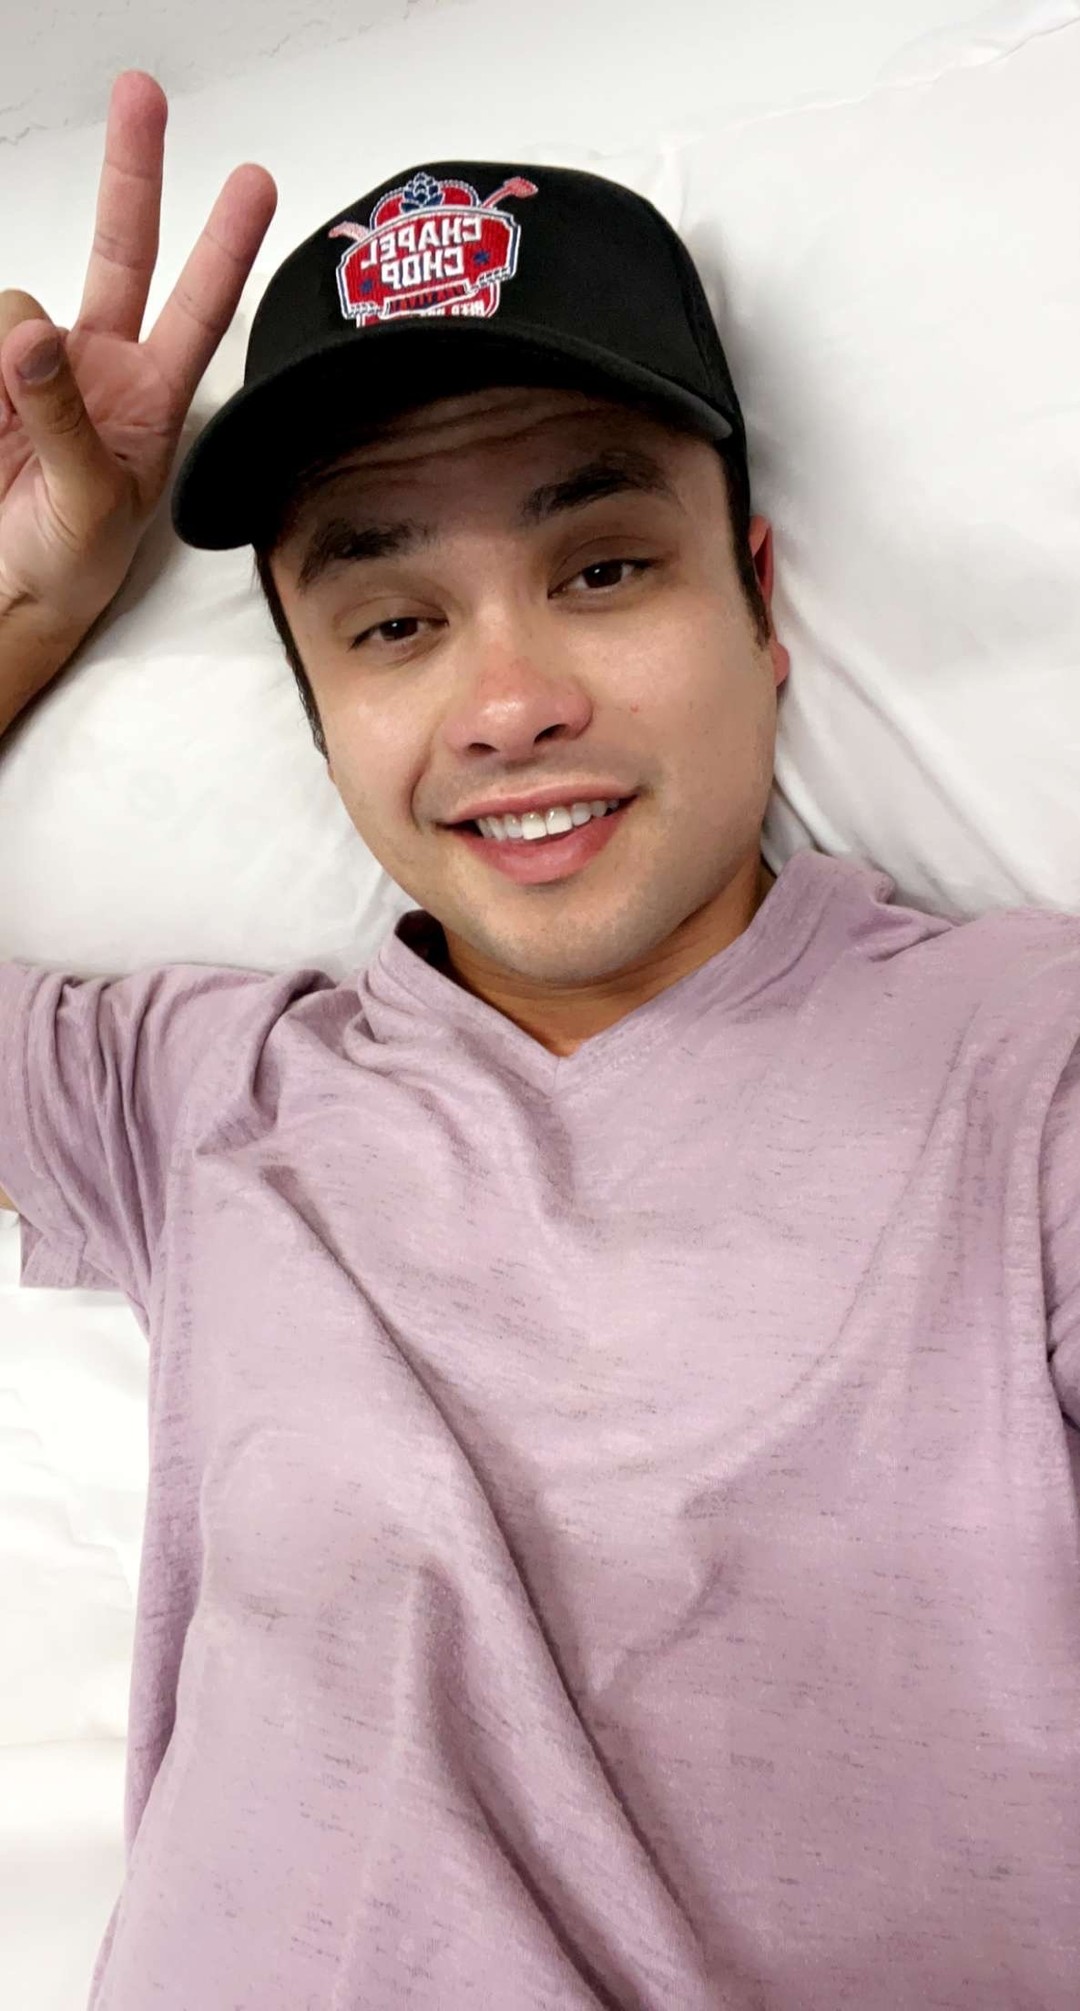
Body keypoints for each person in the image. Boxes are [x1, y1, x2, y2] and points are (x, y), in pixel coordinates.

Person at [0, 67, 1077, 2011]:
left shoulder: (1031, 1072)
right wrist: (18, 608)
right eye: (393, 623)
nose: (508, 703)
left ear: (760, 606)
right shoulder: (200, 1093)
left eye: (601, 570)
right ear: (317, 713)